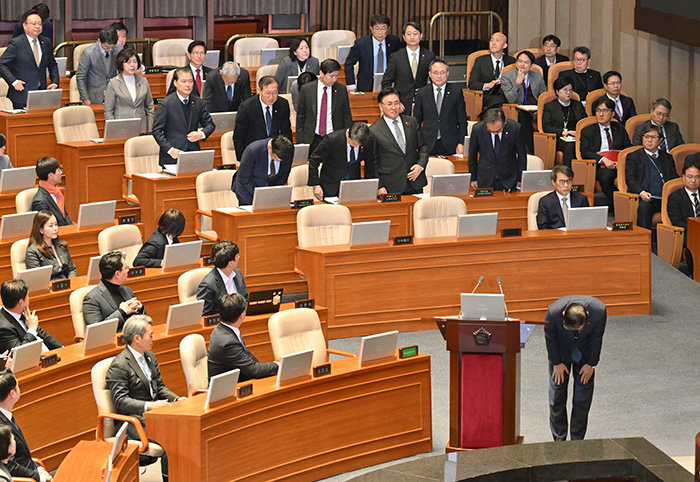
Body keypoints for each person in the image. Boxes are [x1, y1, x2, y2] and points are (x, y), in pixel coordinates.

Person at [106, 315, 180, 482]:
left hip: (155, 416)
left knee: (183, 431)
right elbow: (120, 400)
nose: (153, 339)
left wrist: (177, 400)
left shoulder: (149, 356)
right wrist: (149, 406)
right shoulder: (119, 365)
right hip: (135, 421)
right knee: (174, 440)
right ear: (137, 338)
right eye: (150, 335)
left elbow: (159, 387)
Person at [545, 295, 607, 441]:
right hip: (561, 356)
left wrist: (591, 364)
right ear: (563, 315)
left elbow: (597, 337)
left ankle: (577, 440)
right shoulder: (553, 312)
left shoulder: (599, 311)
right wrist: (556, 363)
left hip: (585, 356)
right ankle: (559, 439)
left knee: (582, 399)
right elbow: (550, 338)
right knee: (557, 398)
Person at [366, 88, 428, 195]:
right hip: (390, 185)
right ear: (381, 106)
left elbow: (423, 147)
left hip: (414, 181)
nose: (394, 108)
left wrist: (421, 165)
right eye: (389, 104)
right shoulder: (373, 131)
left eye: (396, 103)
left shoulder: (411, 122)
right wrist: (379, 186)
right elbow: (372, 164)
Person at [152, 67, 215, 167]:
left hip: (193, 154)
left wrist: (201, 134)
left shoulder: (198, 102)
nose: (187, 85)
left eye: (190, 81)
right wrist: (170, 150)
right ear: (175, 83)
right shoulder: (166, 104)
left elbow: (210, 125)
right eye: (184, 81)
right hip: (173, 156)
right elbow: (156, 131)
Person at [207, 293, 279, 381]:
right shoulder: (228, 342)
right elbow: (255, 370)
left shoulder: (220, 329)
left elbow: (248, 358)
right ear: (242, 315)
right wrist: (277, 364)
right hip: (227, 390)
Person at [0, 369, 53, 481]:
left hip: (30, 468)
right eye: (18, 386)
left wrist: (37, 468)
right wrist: (39, 477)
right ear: (12, 394)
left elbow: (23, 457)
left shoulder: (5, 416)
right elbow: (10, 465)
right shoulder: (2, 428)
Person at [0, 10, 59, 109]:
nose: (37, 26)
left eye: (40, 24)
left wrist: (55, 82)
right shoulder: (16, 43)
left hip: (41, 94)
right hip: (21, 95)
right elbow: (1, 64)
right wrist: (13, 81)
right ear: (24, 25)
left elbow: (52, 64)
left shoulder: (46, 42)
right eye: (34, 23)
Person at [580, 96, 631, 209]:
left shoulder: (620, 128)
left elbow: (628, 148)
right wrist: (603, 160)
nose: (601, 114)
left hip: (619, 164)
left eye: (605, 111)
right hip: (600, 166)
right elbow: (585, 152)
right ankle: (617, 207)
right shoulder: (588, 131)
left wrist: (621, 162)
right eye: (598, 111)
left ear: (612, 114)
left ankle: (632, 204)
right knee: (606, 176)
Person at [624, 125, 678, 230]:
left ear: (660, 140)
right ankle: (644, 241)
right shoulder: (633, 156)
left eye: (653, 137)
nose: (649, 140)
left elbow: (673, 178)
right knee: (644, 208)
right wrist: (641, 192)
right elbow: (630, 179)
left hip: (666, 198)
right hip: (647, 198)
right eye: (646, 137)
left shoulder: (667, 157)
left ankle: (679, 242)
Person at [296, 58, 353, 154]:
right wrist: (301, 142)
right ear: (322, 73)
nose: (334, 79)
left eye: (336, 76)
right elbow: (301, 117)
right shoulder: (307, 89)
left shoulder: (341, 89)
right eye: (331, 76)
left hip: (334, 138)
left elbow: (346, 116)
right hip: (312, 138)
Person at [413, 59, 467, 156]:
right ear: (430, 74)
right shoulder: (422, 93)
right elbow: (416, 121)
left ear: (447, 73)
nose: (439, 76)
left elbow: (462, 121)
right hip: (427, 143)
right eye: (435, 73)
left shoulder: (456, 92)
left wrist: (462, 143)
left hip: (451, 143)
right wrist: (415, 144)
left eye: (442, 72)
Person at [233, 76, 293, 161]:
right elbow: (238, 137)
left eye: (275, 92)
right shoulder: (247, 107)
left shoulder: (282, 104)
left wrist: (287, 154)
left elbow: (286, 132)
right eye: (267, 93)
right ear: (259, 91)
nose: (271, 97)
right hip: (254, 154)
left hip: (275, 154)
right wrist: (243, 159)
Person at [82, 251, 146, 331]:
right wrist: (121, 312)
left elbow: (142, 321)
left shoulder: (127, 290)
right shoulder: (92, 299)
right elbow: (97, 331)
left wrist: (140, 308)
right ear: (117, 274)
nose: (128, 270)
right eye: (126, 268)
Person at [468, 107, 527, 191]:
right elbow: (472, 156)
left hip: (509, 179)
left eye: (498, 130)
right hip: (485, 180)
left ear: (505, 122)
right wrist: (473, 178)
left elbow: (522, 156)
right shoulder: (477, 129)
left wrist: (520, 178)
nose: (495, 133)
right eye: (491, 131)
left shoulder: (515, 129)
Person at [308, 122, 372, 200]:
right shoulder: (332, 139)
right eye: (353, 143)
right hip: (330, 186)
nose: (355, 146)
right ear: (348, 133)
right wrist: (316, 185)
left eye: (358, 145)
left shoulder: (367, 139)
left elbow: (371, 162)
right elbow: (313, 160)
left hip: (353, 186)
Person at [381, 22, 435, 113]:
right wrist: (395, 102)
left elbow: (436, 79)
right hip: (402, 105)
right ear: (404, 37)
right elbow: (386, 82)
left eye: (415, 34)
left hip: (423, 104)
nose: (412, 37)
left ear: (421, 36)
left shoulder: (429, 56)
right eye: (409, 34)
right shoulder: (396, 57)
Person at [501, 50, 546, 153]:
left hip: (537, 109)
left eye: (526, 62)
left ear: (531, 65)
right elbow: (511, 99)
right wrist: (517, 82)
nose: (522, 64)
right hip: (518, 110)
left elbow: (544, 95)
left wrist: (540, 108)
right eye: (520, 61)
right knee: (524, 117)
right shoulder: (507, 77)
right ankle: (530, 152)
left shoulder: (537, 76)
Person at [0, 279, 62, 354]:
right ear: (21, 302)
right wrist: (31, 330)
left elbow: (42, 334)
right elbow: (20, 354)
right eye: (27, 296)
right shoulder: (3, 328)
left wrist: (61, 348)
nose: (29, 298)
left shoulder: (20, 311)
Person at [345, 14, 401, 92]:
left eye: (383, 28)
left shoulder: (394, 42)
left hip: (389, 84)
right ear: (371, 29)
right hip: (366, 85)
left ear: (388, 29)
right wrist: (351, 85)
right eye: (377, 29)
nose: (380, 32)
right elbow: (349, 63)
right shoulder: (361, 44)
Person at [232, 135, 295, 205]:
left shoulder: (288, 151)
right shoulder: (253, 151)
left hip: (268, 191)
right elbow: (243, 179)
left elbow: (283, 176)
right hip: (247, 189)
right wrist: (259, 197)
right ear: (270, 148)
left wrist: (272, 195)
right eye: (276, 159)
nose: (279, 162)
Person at [104, 47, 155, 134]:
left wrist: (150, 130)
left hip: (142, 129)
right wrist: (114, 129)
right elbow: (108, 111)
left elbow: (150, 108)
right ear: (121, 64)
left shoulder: (143, 81)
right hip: (121, 129)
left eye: (135, 61)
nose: (132, 65)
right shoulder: (113, 83)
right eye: (128, 62)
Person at [541, 78, 587, 166]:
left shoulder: (577, 105)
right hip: (559, 138)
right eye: (565, 90)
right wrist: (564, 132)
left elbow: (584, 123)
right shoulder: (549, 106)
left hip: (576, 136)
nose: (568, 92)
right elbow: (546, 126)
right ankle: (568, 173)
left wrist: (578, 132)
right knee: (570, 146)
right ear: (557, 91)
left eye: (570, 90)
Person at [667, 155, 700, 274]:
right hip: (688, 232)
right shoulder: (675, 197)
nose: (693, 180)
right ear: (684, 177)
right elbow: (676, 220)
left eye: (697, 177)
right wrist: (695, 228)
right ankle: (695, 274)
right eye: (690, 177)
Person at [467, 32, 515, 113]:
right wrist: (486, 85)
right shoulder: (480, 61)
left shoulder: (511, 61)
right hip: (487, 95)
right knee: (499, 99)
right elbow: (472, 84)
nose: (493, 43)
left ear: (505, 45)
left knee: (504, 98)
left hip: (506, 94)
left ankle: (484, 117)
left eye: (497, 40)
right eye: (491, 40)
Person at [197, 240, 248, 317]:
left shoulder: (238, 274)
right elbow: (205, 316)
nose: (239, 257)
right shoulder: (208, 285)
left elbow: (245, 301)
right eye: (237, 256)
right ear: (230, 263)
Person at [25, 210, 77, 280]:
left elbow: (71, 269)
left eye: (56, 225)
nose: (55, 228)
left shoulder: (61, 245)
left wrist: (72, 282)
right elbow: (37, 279)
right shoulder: (33, 251)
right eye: (51, 226)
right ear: (41, 230)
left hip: (67, 284)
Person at [76, 26, 121, 105]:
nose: (110, 49)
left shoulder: (118, 49)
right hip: (94, 97)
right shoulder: (88, 53)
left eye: (112, 47)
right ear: (99, 40)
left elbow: (122, 71)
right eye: (107, 47)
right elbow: (80, 78)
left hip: (114, 95)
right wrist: (85, 99)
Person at [537, 165, 590, 229]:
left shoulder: (581, 199)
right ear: (553, 182)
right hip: (556, 237)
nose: (566, 185)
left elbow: (587, 222)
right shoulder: (545, 202)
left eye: (569, 181)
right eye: (562, 181)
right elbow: (543, 227)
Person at [31, 156, 72, 226]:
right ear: (50, 175)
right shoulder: (40, 202)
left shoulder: (57, 192)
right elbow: (47, 227)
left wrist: (72, 228)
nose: (61, 173)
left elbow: (65, 216)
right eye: (58, 170)